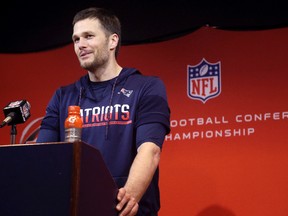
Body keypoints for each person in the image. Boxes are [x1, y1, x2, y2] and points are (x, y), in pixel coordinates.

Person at [36, 7, 170, 216]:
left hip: (127, 211)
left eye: (89, 36)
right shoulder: (63, 96)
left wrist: (128, 198)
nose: (81, 45)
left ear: (113, 41)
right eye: (76, 39)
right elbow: (43, 154)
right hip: (75, 209)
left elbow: (150, 150)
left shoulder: (146, 87)